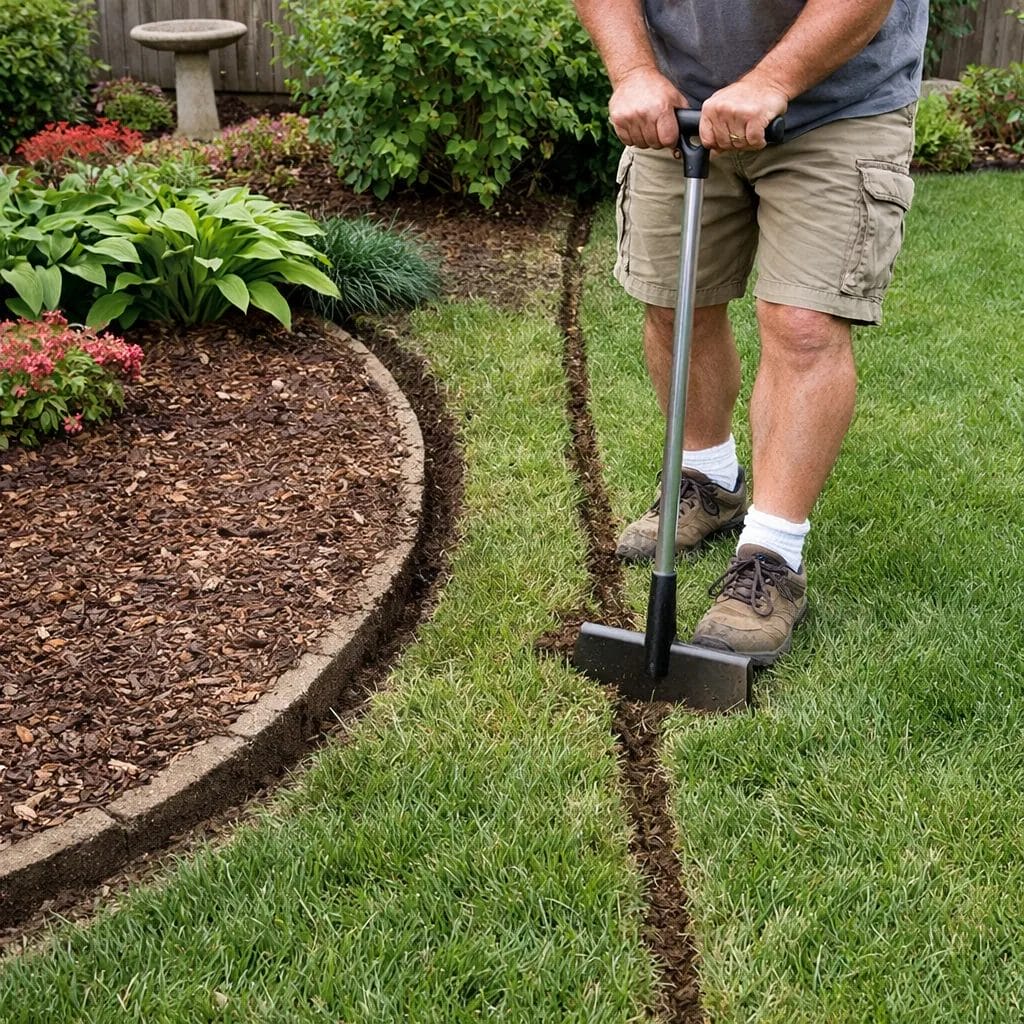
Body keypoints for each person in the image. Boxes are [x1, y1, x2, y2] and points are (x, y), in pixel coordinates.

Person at [574, 0, 927, 665]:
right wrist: (632, 71)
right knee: (675, 302)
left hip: (837, 107)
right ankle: (707, 481)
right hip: (677, 104)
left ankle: (771, 556)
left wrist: (773, 81)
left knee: (802, 323)